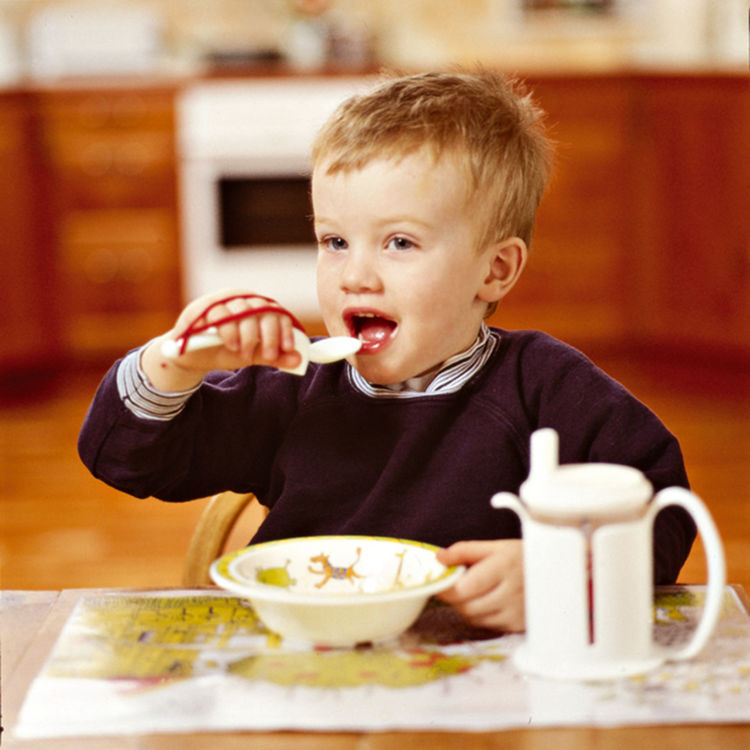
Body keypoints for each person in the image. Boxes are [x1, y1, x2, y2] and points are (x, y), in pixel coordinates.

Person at [78, 70, 696, 633]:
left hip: (480, 689)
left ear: (496, 270)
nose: (355, 276)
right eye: (335, 240)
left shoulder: (544, 385)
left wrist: (561, 570)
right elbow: (126, 458)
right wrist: (176, 363)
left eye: (399, 242)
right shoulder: (295, 386)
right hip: (304, 669)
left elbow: (666, 507)